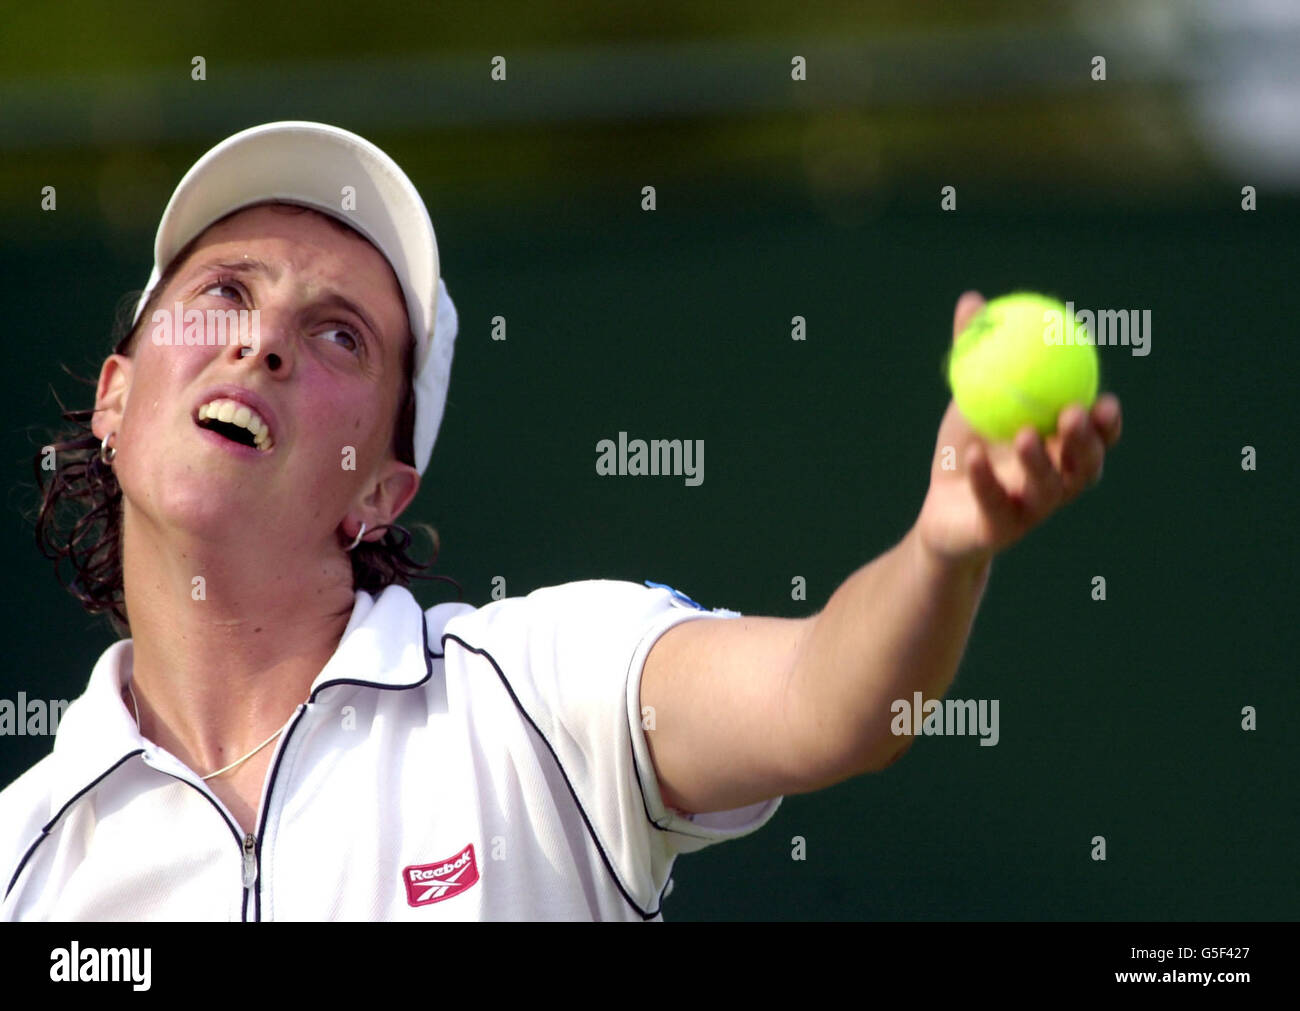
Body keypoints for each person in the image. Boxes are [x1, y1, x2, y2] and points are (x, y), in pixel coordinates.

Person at [0, 121, 1121, 921]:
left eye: (340, 333)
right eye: (225, 292)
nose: (264, 342)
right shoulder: (23, 862)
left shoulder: (538, 688)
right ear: (115, 395)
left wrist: (940, 552)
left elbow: (830, 701)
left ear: (381, 491)